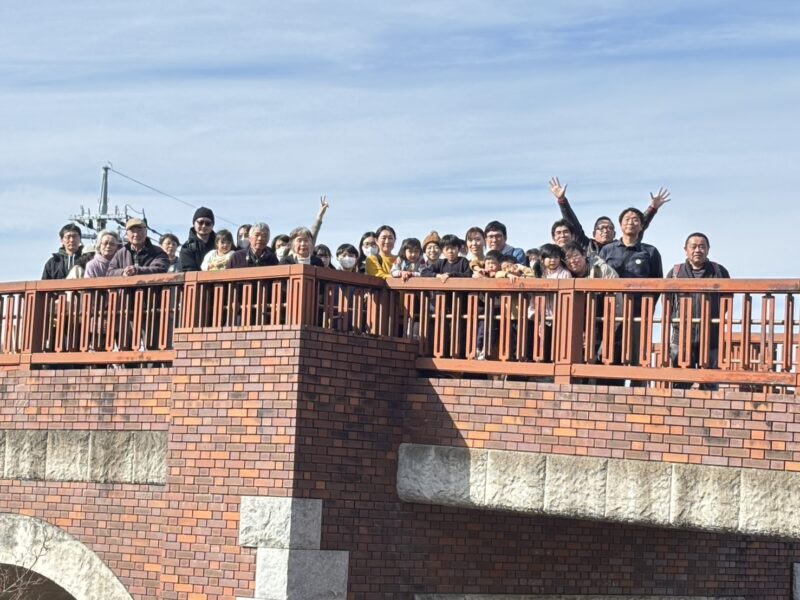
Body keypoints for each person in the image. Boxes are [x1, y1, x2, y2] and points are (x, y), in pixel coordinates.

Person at [599, 207, 663, 375]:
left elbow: (658, 283)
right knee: (610, 357)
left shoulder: (650, 252)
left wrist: (647, 307)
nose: (631, 222)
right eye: (627, 219)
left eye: (635, 219)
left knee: (639, 359)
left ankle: (638, 389)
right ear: (620, 225)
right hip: (612, 312)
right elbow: (598, 279)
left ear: (641, 226)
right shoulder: (607, 250)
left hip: (638, 313)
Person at [666, 232, 730, 389]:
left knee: (709, 383)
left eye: (702, 247)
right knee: (680, 383)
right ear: (685, 250)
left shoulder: (719, 271)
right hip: (681, 336)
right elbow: (667, 301)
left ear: (708, 249)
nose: (697, 250)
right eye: (693, 246)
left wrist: (714, 317)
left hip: (711, 336)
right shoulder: (675, 272)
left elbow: (727, 300)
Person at [548, 177, 670, 255]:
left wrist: (652, 208)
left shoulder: (621, 247)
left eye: (609, 228)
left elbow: (636, 227)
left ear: (615, 233)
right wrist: (562, 200)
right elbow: (573, 224)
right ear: (594, 233)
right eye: (601, 228)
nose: (605, 231)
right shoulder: (587, 246)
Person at [179, 207, 216, 272]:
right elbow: (189, 271)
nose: (204, 226)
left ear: (212, 225)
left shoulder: (223, 243)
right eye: (200, 222)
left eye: (208, 223)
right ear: (194, 224)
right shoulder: (187, 247)